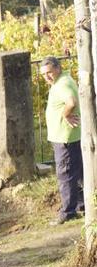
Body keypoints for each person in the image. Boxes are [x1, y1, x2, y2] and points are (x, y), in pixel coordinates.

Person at [39, 56, 85, 225]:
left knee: (65, 175)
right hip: (69, 137)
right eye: (44, 74)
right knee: (76, 173)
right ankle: (81, 205)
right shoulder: (62, 81)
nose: (47, 77)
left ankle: (68, 212)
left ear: (58, 68)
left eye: (49, 72)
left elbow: (71, 102)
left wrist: (65, 114)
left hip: (65, 138)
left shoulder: (63, 84)